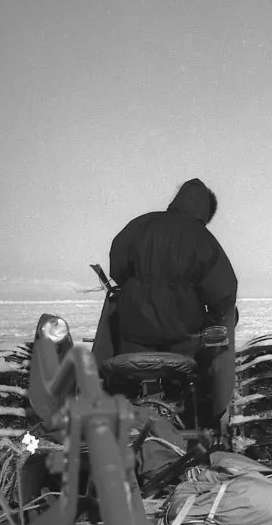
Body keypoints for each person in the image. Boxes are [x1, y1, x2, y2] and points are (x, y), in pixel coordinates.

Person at [98, 178, 238, 429]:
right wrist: (217, 316)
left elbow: (118, 268)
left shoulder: (140, 225)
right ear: (206, 212)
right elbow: (223, 291)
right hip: (182, 340)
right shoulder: (203, 239)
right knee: (196, 372)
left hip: (132, 335)